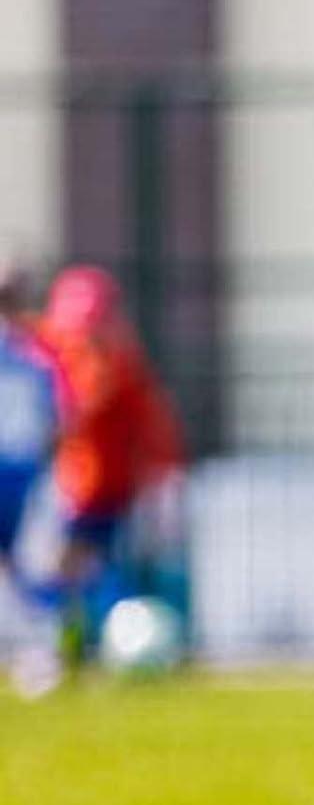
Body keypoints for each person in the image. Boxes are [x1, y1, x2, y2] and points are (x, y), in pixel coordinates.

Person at [34, 265, 183, 655]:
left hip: (98, 488)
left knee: (81, 569)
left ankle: (107, 638)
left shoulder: (108, 365)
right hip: (86, 485)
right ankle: (79, 641)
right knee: (80, 569)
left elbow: (83, 413)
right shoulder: (83, 355)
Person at [0, 255, 60, 596]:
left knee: (30, 556)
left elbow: (56, 411)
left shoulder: (39, 346)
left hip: (26, 468)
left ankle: (34, 634)